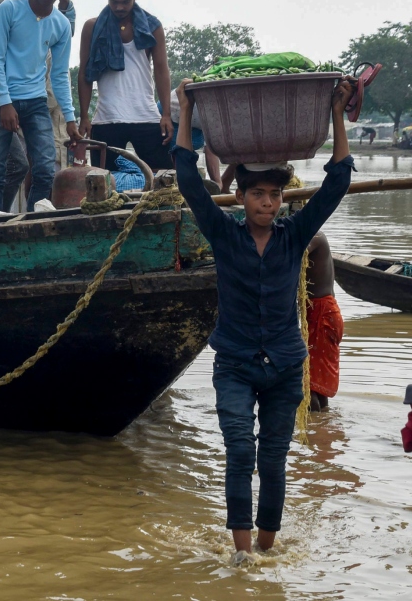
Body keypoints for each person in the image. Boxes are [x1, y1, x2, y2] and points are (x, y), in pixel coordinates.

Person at [174, 76, 356, 565]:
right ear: (241, 196)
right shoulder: (223, 235)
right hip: (233, 361)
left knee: (273, 458)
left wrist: (336, 111)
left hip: (284, 366)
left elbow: (338, 181)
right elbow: (188, 180)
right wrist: (186, 110)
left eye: (275, 195)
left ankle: (267, 546)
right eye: (258, 194)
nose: (268, 203)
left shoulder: (295, 236)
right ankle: (241, 553)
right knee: (239, 451)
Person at [0, 0, 77, 214]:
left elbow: (60, 75)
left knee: (45, 169)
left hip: (36, 102)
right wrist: (5, 103)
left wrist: (71, 118)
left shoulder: (61, 24)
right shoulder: (8, 9)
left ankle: (33, 222)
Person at [79, 0, 173, 174]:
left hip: (145, 115)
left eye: (126, 2)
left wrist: (166, 113)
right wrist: (84, 117)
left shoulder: (152, 26)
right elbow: (85, 74)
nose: (119, 7)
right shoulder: (92, 27)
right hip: (107, 117)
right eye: (114, 2)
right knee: (102, 182)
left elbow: (161, 70)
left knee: (164, 177)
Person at [305, 232, 343, 412]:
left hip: (321, 314)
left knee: (307, 382)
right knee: (317, 383)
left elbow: (295, 255)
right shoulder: (318, 236)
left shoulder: (314, 236)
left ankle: (312, 428)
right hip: (324, 312)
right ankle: (322, 427)